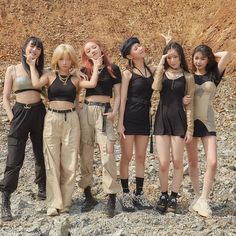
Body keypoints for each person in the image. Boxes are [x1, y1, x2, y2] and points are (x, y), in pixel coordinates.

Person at [29, 43, 102, 216]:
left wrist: (97, 66)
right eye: (61, 59)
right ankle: (54, 203)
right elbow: (35, 83)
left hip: (71, 119)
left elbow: (91, 84)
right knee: (52, 162)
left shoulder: (76, 79)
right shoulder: (49, 76)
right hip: (52, 119)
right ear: (56, 60)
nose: (64, 62)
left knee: (69, 163)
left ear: (72, 61)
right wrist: (32, 65)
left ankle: (66, 203)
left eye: (68, 59)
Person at [0, 36, 46, 221]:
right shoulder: (12, 69)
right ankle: (6, 198)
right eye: (32, 46)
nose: (34, 50)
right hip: (19, 113)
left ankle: (43, 188)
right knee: (14, 157)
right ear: (25, 48)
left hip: (39, 113)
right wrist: (12, 117)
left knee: (41, 152)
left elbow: (56, 84)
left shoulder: (43, 70)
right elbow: (5, 97)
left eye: (38, 48)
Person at [185, 45, 230, 217]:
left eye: (203, 58)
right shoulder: (188, 76)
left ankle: (204, 199)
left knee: (212, 162)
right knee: (193, 162)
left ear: (208, 59)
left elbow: (226, 54)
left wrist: (211, 54)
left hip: (208, 122)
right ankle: (197, 198)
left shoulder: (214, 74)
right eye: (196, 58)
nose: (199, 61)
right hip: (190, 122)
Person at [78, 40, 121, 218]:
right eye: (88, 50)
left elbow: (118, 95)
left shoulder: (113, 69)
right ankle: (87, 194)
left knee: (108, 154)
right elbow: (76, 88)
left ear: (100, 48)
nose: (92, 51)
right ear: (86, 55)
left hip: (105, 113)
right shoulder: (84, 70)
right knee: (85, 152)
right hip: (86, 111)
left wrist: (115, 113)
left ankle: (111, 197)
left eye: (94, 47)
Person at [152, 41, 195, 214]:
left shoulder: (188, 77)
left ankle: (174, 197)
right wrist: (161, 64)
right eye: (169, 57)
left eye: (175, 57)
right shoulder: (162, 73)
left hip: (179, 121)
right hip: (161, 119)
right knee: (163, 163)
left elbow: (190, 105)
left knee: (177, 162)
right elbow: (155, 88)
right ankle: (163, 195)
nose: (172, 60)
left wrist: (190, 129)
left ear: (180, 57)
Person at [117, 37, 154, 212]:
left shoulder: (150, 70)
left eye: (139, 45)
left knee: (141, 157)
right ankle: (125, 193)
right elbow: (122, 99)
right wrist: (120, 123)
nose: (140, 48)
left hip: (144, 118)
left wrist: (169, 44)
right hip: (129, 117)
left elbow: (166, 66)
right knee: (127, 156)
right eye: (135, 47)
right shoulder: (127, 74)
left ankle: (139, 193)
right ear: (129, 56)